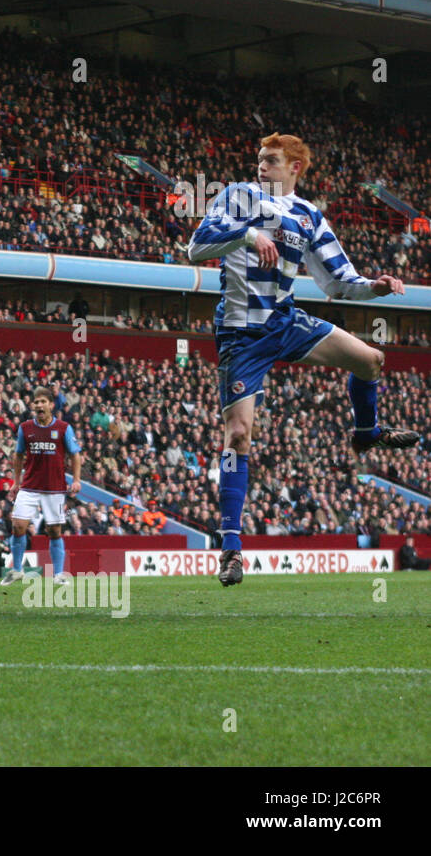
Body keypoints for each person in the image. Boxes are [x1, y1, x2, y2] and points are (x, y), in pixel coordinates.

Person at [188, 132, 418, 588]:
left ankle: (367, 433)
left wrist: (373, 285)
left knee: (371, 360)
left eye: (271, 160)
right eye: (259, 159)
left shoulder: (310, 216)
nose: (261, 166)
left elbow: (338, 283)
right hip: (240, 333)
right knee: (238, 435)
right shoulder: (238, 197)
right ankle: (231, 549)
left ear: (296, 167)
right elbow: (197, 247)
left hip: (284, 321)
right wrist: (249, 235)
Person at [2, 387, 82, 586]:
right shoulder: (25, 428)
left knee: (54, 531)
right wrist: (16, 482)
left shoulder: (63, 428)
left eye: (42, 401)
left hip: (54, 488)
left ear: (51, 405)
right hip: (29, 486)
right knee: (18, 525)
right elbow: (18, 455)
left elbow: (75, 455)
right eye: (36, 402)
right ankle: (17, 570)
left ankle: (58, 574)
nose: (39, 405)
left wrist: (77, 480)